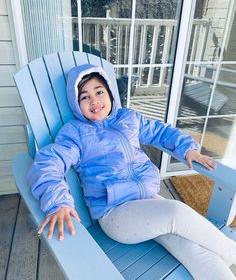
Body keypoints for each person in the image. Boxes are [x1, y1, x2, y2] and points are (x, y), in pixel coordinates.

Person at [27, 64, 236, 280]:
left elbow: (160, 132)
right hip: (115, 212)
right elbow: (48, 163)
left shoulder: (128, 118)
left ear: (109, 93)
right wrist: (58, 203)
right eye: (84, 97)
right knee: (177, 212)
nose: (94, 101)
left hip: (148, 202)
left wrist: (187, 148)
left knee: (192, 248)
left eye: (99, 92)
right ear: (76, 105)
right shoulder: (75, 134)